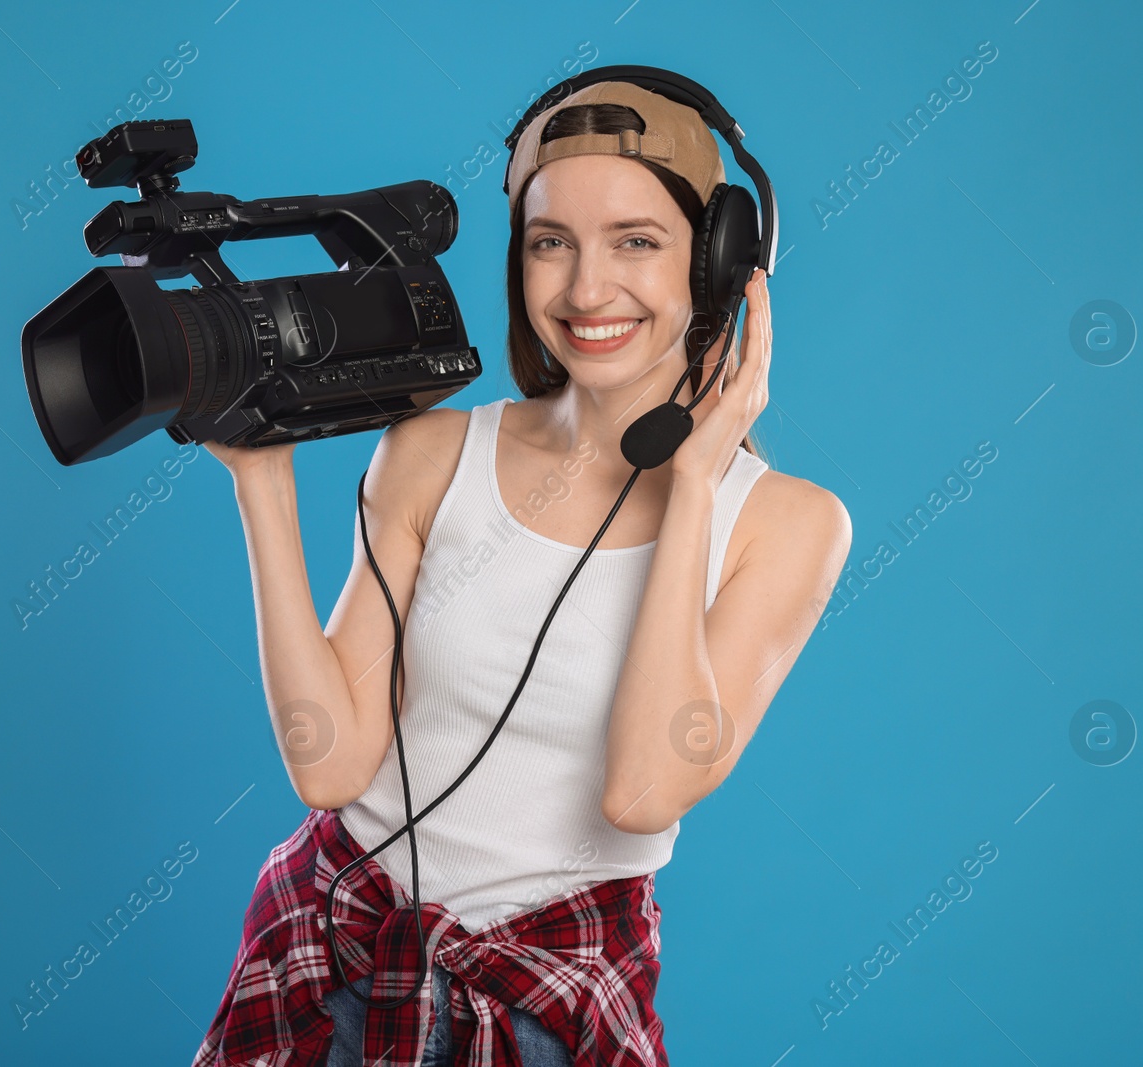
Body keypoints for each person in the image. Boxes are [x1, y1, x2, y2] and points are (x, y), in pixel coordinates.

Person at [190, 79, 851, 1067]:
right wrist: (261, 478)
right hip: (328, 956)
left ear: (718, 265)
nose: (585, 290)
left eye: (635, 240)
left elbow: (640, 790)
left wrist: (693, 489)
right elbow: (328, 763)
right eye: (551, 242)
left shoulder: (787, 524)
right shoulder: (429, 452)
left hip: (553, 999)